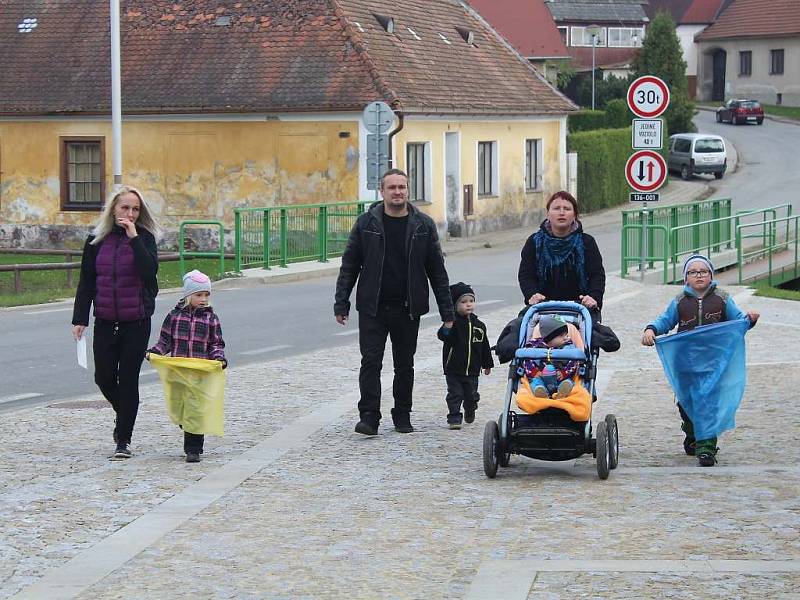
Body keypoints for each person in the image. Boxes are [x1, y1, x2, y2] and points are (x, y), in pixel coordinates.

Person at [334, 168, 454, 436]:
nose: (397, 192)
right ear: (382, 192)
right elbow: (349, 265)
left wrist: (448, 311)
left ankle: (402, 413)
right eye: (392, 187)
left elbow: (437, 270)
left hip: (407, 308)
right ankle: (369, 416)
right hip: (372, 307)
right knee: (371, 362)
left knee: (404, 364)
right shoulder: (367, 223)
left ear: (408, 190)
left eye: (402, 187)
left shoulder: (423, 225)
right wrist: (341, 302)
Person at [642, 254, 759, 466]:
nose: (698, 275)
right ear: (685, 278)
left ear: (711, 275)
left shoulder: (722, 298)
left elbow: (738, 322)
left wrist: (749, 320)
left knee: (707, 402)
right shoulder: (679, 301)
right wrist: (651, 329)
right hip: (685, 363)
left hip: (714, 362)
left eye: (703, 271)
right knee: (686, 404)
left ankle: (706, 449)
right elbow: (664, 321)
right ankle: (692, 433)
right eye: (693, 272)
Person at [71, 186, 160, 459]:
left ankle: (123, 439)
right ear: (113, 209)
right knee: (104, 377)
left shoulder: (144, 238)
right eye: (125, 207)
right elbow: (87, 280)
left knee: (129, 378)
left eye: (135, 209)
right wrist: (80, 318)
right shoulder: (96, 241)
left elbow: (149, 271)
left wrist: (134, 238)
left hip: (137, 320)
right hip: (106, 319)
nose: (130, 214)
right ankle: (125, 413)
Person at [147, 270, 227, 463]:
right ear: (188, 296)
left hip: (200, 373)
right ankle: (186, 425)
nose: (203, 299)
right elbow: (165, 341)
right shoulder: (174, 317)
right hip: (179, 373)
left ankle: (193, 449)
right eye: (199, 295)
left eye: (206, 295)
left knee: (196, 410)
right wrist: (155, 352)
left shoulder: (211, 319)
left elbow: (216, 343)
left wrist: (219, 358)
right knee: (181, 409)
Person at [518, 191, 605, 320]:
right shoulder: (534, 242)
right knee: (514, 334)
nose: (562, 212)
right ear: (548, 214)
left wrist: (593, 298)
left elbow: (597, 275)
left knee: (602, 338)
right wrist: (532, 294)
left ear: (575, 215)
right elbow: (526, 274)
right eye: (556, 208)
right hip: (542, 308)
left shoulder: (587, 242)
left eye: (567, 209)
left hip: (580, 308)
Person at [437, 282, 493, 430]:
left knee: (471, 394)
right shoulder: (453, 323)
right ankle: (454, 417)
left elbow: (484, 346)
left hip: (473, 369)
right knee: (455, 394)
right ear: (455, 305)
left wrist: (487, 364)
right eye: (463, 302)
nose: (468, 305)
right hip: (454, 368)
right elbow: (442, 336)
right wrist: (447, 327)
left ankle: (470, 407)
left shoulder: (479, 325)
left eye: (471, 301)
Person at [522, 315, 579, 399]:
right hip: (541, 376)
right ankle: (541, 392)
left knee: (568, 382)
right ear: (549, 337)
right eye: (561, 335)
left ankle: (561, 393)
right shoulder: (535, 346)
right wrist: (535, 372)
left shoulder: (568, 346)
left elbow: (573, 362)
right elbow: (527, 361)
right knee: (535, 382)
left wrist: (564, 373)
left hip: (560, 377)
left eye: (566, 334)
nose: (566, 337)